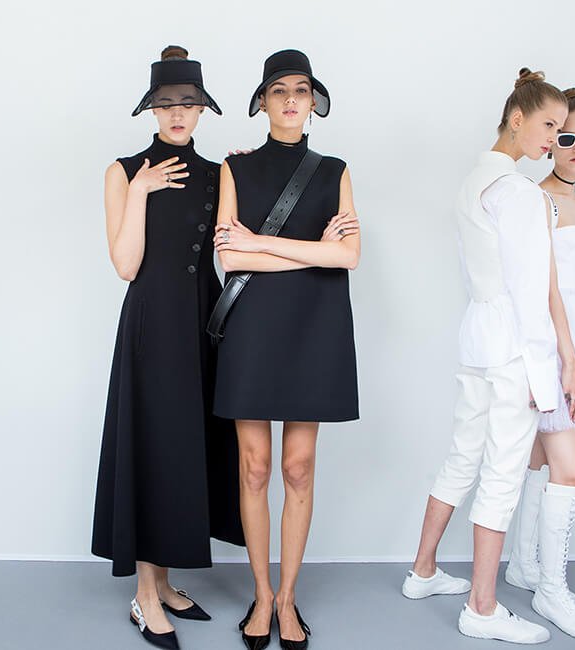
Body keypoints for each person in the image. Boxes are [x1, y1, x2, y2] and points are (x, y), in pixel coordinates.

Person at [402, 68, 575, 644]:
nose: (555, 139)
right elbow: (531, 293)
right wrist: (549, 373)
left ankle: (422, 571)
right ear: (517, 118)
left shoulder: (474, 180)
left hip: (477, 336)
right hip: (512, 346)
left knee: (462, 457)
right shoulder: (521, 193)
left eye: (561, 128)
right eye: (549, 125)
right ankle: (482, 608)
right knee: (502, 475)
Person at [91, 45, 244, 650]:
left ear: (203, 109)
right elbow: (126, 265)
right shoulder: (123, 171)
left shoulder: (217, 173)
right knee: (153, 445)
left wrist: (249, 172)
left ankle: (165, 580)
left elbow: (231, 250)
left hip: (202, 323)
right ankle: (145, 594)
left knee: (186, 448)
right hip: (152, 325)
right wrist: (141, 191)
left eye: (188, 103)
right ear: (151, 109)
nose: (178, 113)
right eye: (166, 104)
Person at [212, 49, 361, 650]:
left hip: (315, 327)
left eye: (301, 90)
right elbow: (231, 258)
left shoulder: (335, 170)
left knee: (298, 466)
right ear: (262, 102)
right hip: (253, 327)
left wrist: (264, 242)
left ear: (314, 102)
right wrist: (311, 250)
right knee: (254, 466)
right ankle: (261, 593)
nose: (292, 100)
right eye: (280, 90)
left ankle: (289, 597)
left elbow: (349, 256)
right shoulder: (235, 167)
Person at [504, 88, 575, 644]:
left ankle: (524, 565)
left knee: (542, 460)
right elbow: (537, 289)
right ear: (551, 139)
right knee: (570, 471)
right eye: (567, 136)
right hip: (548, 342)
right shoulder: (535, 200)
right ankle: (551, 588)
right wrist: (555, 360)